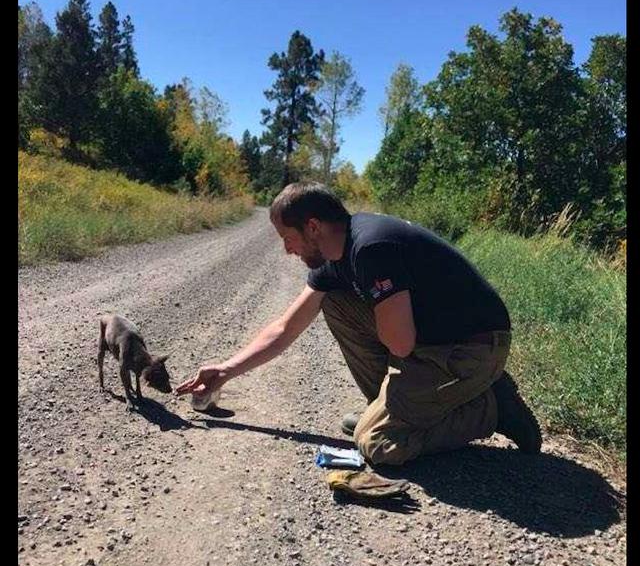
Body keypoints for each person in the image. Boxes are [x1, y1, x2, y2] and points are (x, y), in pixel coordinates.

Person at [176, 182, 542, 465]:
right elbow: (286, 328)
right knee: (331, 299)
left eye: (289, 239)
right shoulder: (336, 257)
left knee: (377, 444)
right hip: (431, 343)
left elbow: (399, 344)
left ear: (313, 227)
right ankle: (398, 410)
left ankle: (491, 409)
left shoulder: (370, 249)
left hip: (473, 347)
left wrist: (375, 298)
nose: (287, 250)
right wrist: (225, 370)